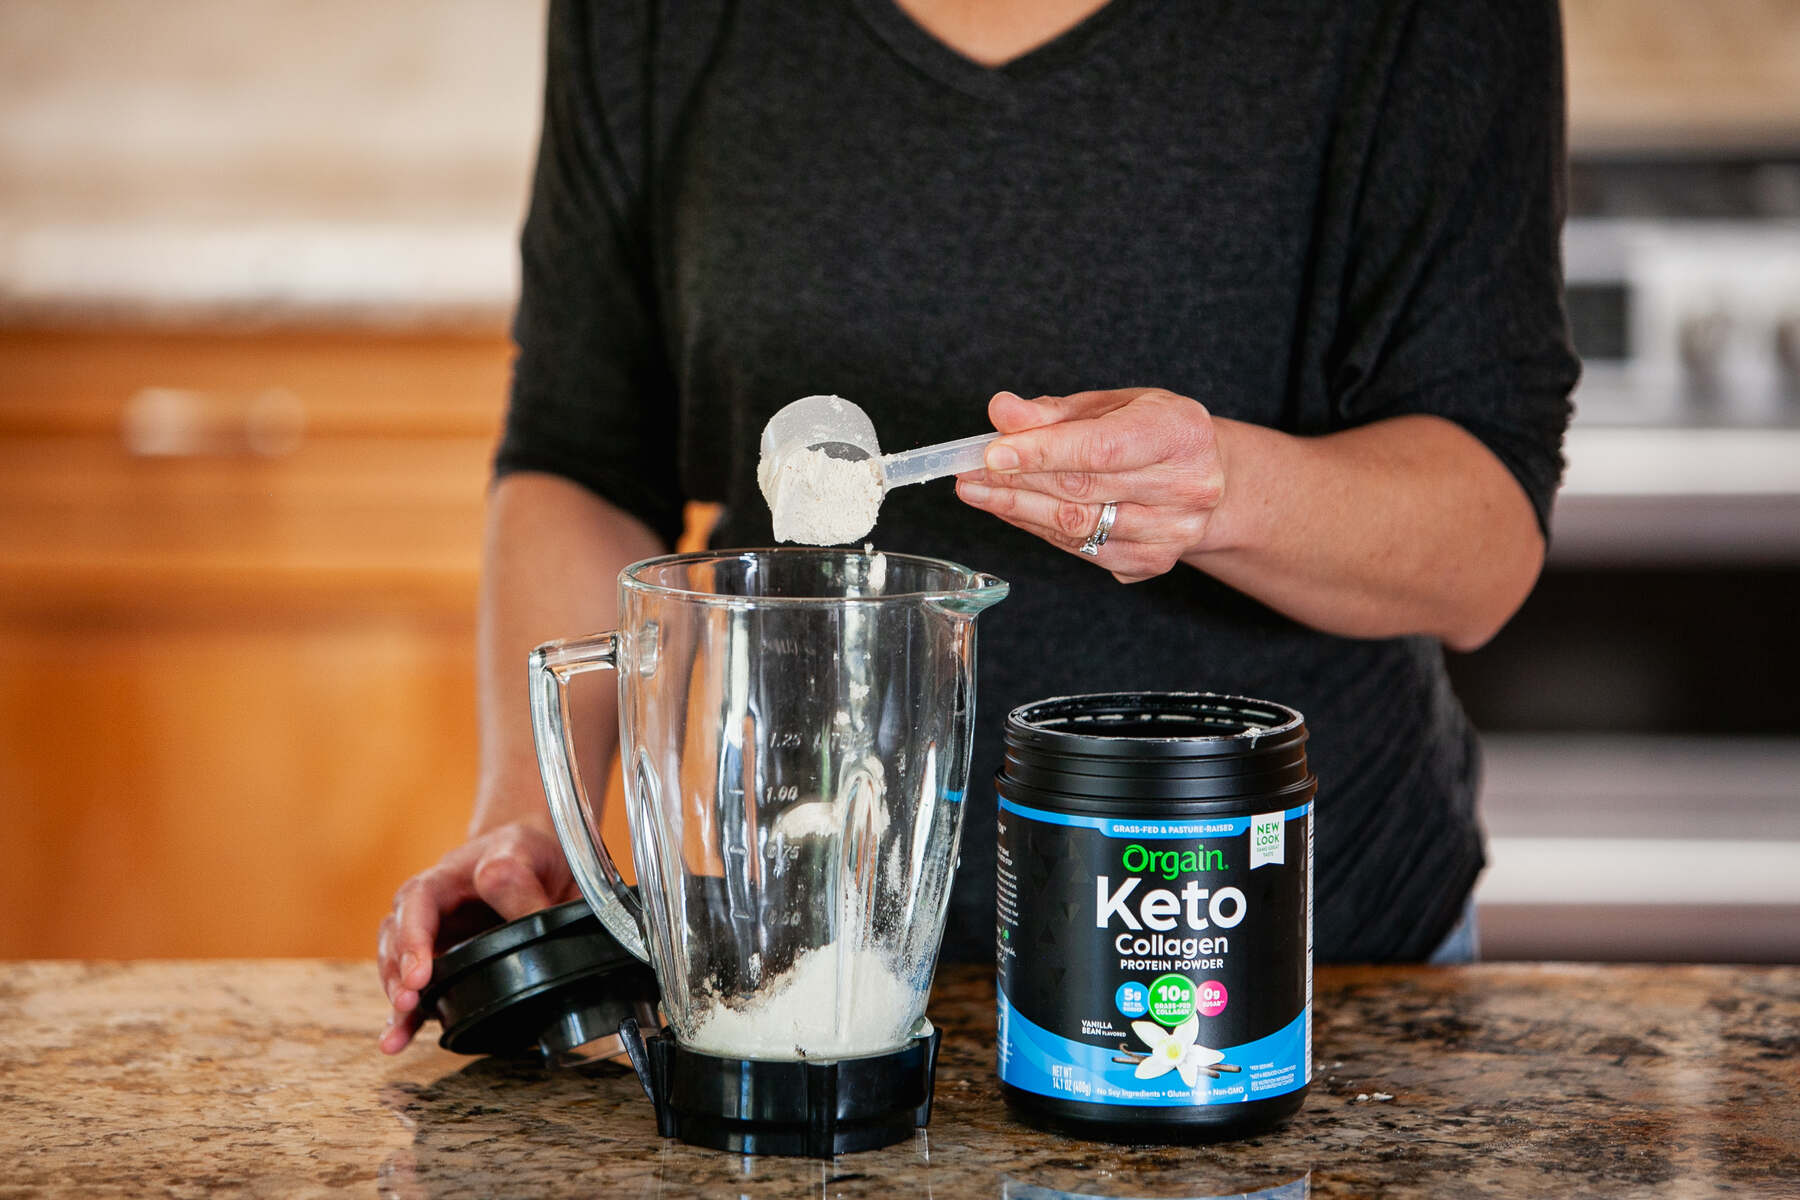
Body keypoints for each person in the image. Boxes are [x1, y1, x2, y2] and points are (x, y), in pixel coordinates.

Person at [378, 0, 1578, 1053]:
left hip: (1291, 977)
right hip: (802, 990)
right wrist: (529, 826)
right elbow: (582, 459)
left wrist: (1221, 491)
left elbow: (1485, 544)